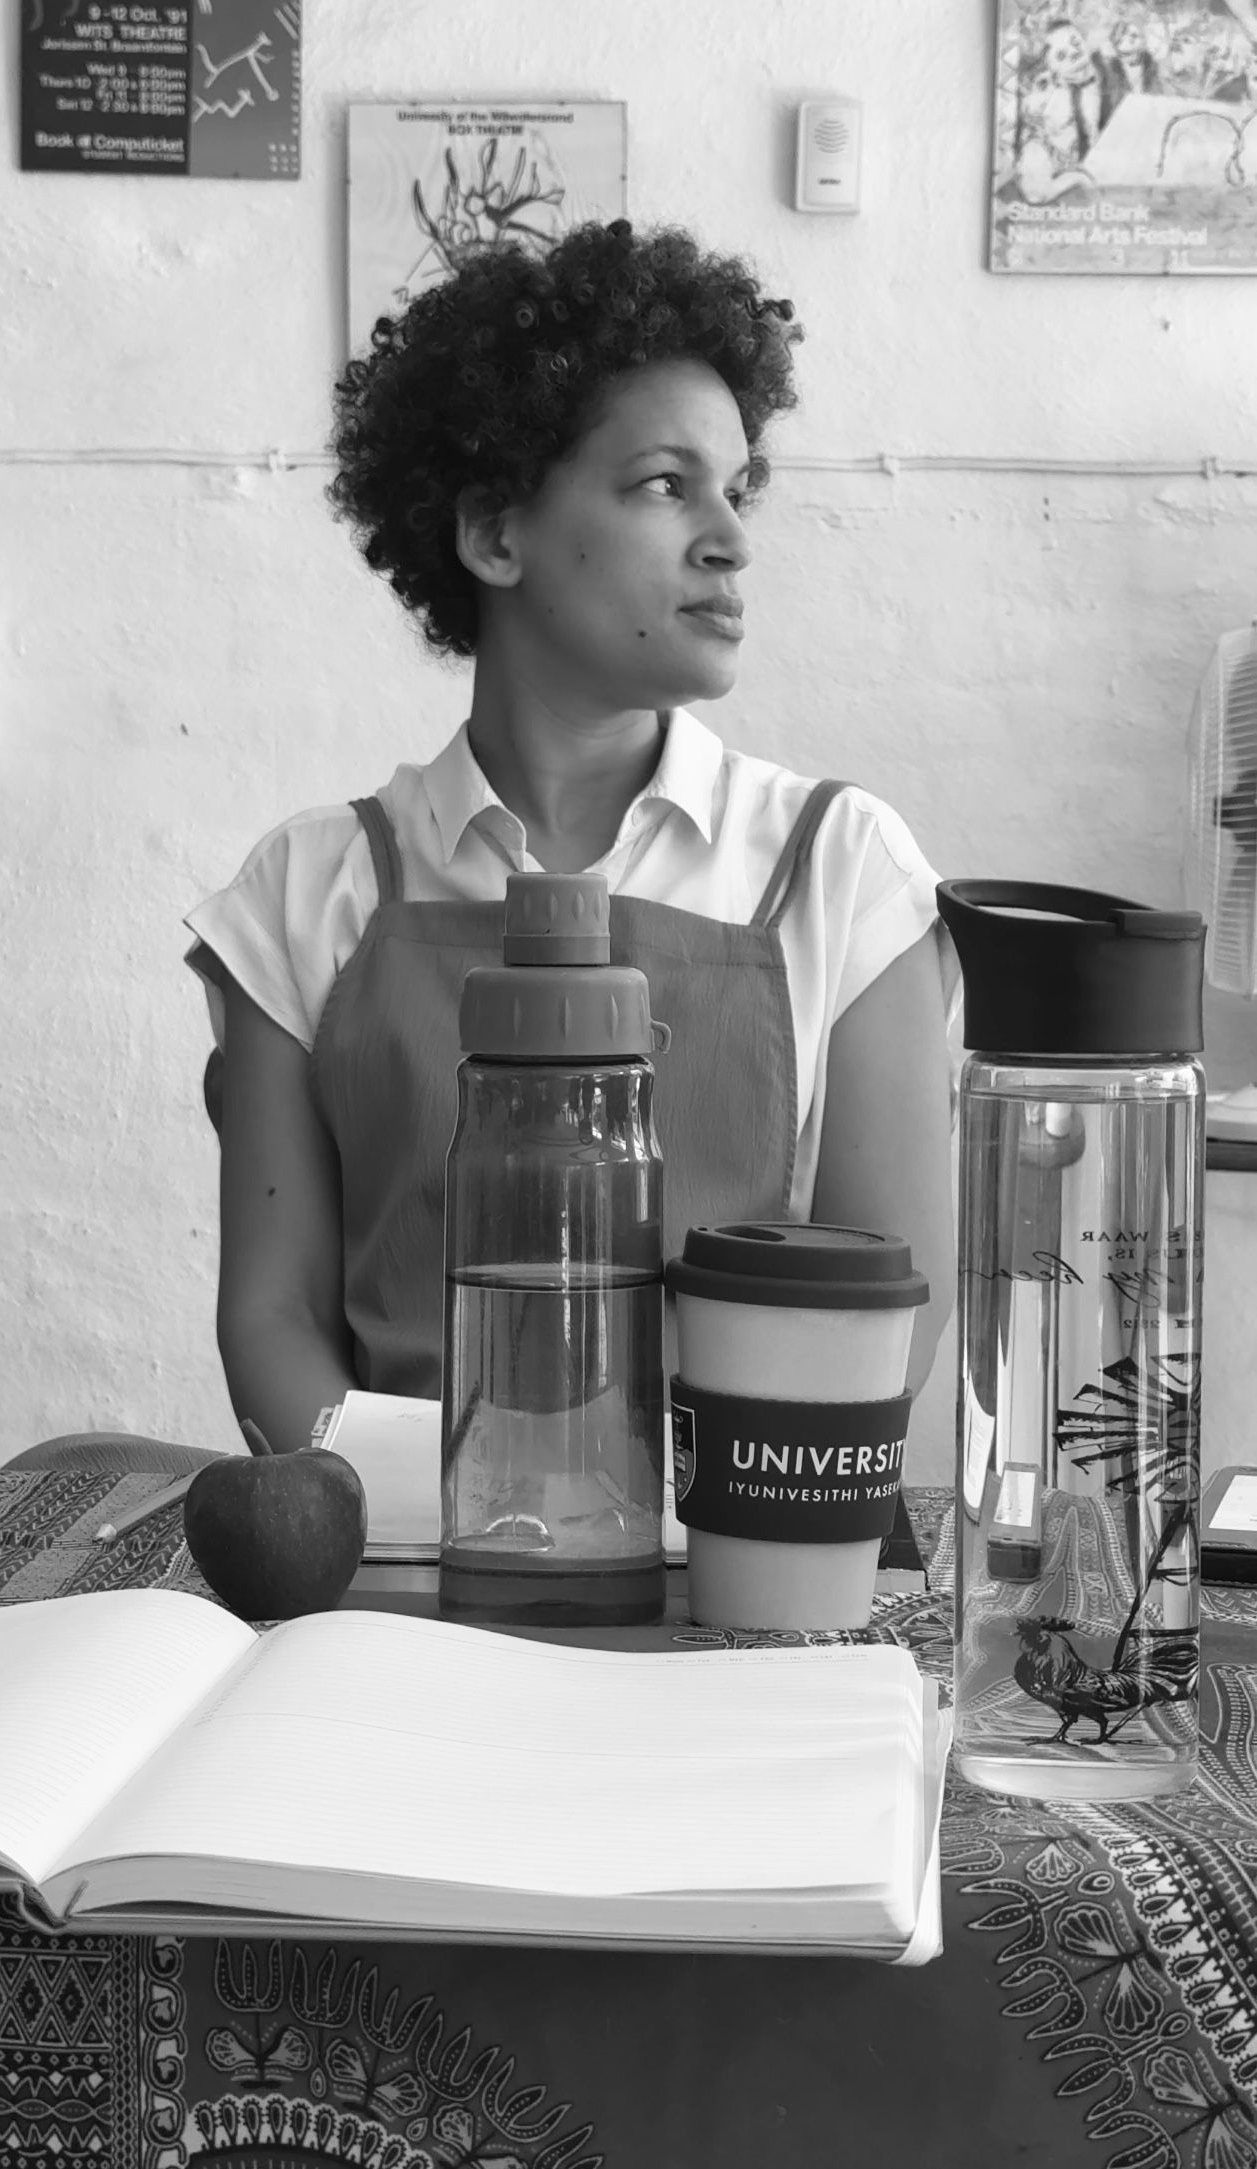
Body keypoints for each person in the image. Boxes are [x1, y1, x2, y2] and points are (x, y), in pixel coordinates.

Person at [183, 218, 958, 1458]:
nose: (732, 538)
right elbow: (274, 1320)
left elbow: (885, 1325)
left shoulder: (842, 870)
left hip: (738, 1545)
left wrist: (669, 1527)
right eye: (666, 484)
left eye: (738, 487)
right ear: (496, 534)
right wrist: (442, 1518)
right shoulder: (308, 891)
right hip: (394, 1555)